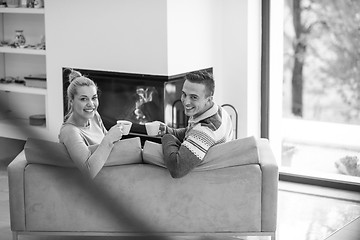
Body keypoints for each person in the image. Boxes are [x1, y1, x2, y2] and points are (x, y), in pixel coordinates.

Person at [159, 70, 234, 178]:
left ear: (209, 99)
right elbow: (191, 133)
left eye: (194, 97)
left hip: (204, 180)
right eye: (184, 94)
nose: (186, 102)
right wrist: (168, 130)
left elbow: (177, 169)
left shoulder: (206, 131)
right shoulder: (220, 111)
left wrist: (167, 137)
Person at [59, 69, 124, 179]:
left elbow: (108, 146)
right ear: (71, 101)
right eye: (84, 99)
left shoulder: (94, 116)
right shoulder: (70, 131)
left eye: (94, 98)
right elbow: (88, 171)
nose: (91, 104)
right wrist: (109, 139)